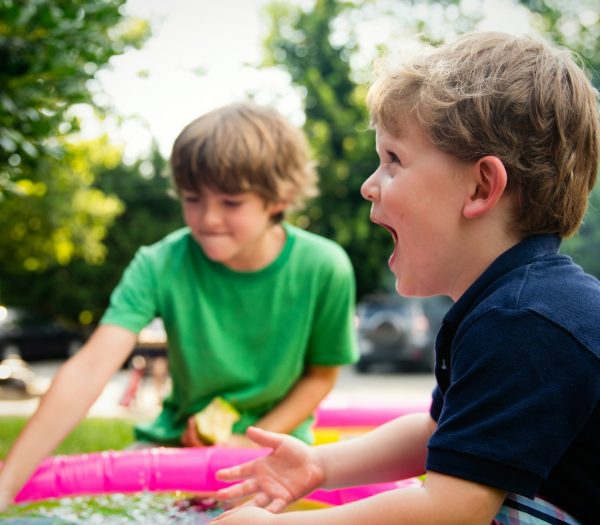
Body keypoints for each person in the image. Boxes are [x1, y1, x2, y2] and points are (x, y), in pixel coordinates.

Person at [208, 32, 600, 525]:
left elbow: (451, 511)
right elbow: (437, 431)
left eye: (393, 160)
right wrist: (318, 464)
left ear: (481, 187)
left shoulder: (526, 322)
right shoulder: (507, 306)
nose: (369, 185)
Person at [0, 102, 358, 509]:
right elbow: (89, 369)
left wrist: (248, 438)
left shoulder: (324, 266)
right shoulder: (158, 263)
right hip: (174, 448)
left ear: (280, 198)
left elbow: (321, 376)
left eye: (231, 202)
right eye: (192, 199)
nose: (207, 218)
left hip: (276, 454)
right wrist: (8, 484)